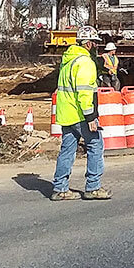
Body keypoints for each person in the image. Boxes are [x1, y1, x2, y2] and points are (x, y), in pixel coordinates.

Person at [51, 25, 112, 201]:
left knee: (67, 150)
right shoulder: (85, 62)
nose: (96, 47)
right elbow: (85, 92)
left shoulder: (67, 60)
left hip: (67, 114)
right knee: (95, 146)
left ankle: (60, 189)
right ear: (89, 44)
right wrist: (91, 117)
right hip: (81, 114)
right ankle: (93, 187)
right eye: (95, 43)